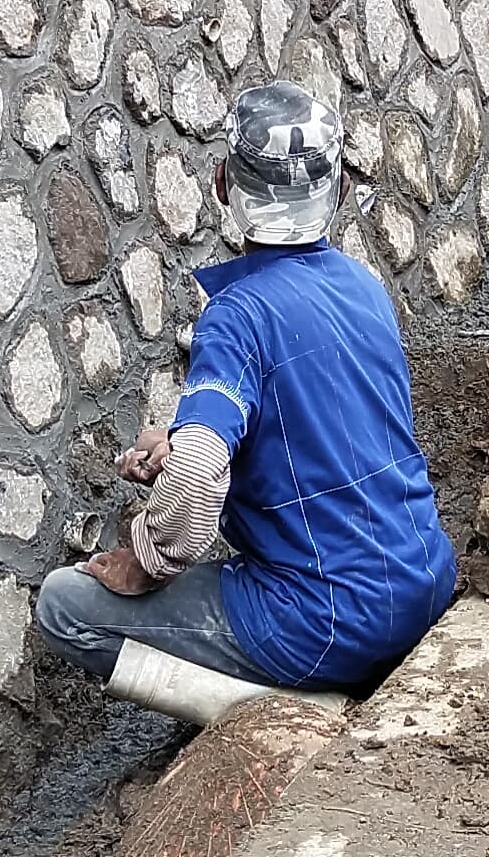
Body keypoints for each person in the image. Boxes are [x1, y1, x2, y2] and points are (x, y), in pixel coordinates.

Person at [36, 82, 457, 717]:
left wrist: (148, 561)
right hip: (424, 581)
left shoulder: (237, 318)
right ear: (340, 190)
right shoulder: (364, 289)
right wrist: (177, 448)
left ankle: (286, 715)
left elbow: (201, 476)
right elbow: (317, 435)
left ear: (221, 183)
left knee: (64, 607)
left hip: (327, 624)